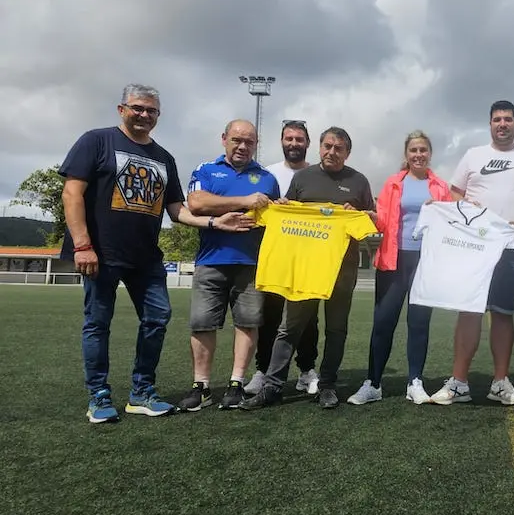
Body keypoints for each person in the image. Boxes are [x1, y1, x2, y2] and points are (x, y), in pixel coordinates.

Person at [61, 83, 254, 423]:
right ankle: (99, 396)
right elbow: (72, 194)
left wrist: (215, 223)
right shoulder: (96, 141)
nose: (144, 115)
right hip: (101, 253)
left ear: (158, 116)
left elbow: (177, 211)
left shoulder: (164, 158)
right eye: (137, 108)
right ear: (122, 110)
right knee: (97, 324)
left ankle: (142, 392)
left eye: (151, 111)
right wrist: (82, 245)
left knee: (157, 318)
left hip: (147, 257)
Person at [239, 126, 376, 410]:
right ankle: (273, 386)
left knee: (337, 329)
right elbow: (287, 210)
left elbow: (372, 220)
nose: (332, 152)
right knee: (289, 327)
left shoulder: (359, 181)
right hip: (305, 269)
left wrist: (362, 214)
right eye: (328, 146)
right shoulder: (303, 177)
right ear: (320, 148)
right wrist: (284, 205)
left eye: (339, 148)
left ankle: (327, 385)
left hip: (343, 268)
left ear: (347, 152)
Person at [429, 100, 514, 406]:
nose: (502, 124)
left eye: (508, 119)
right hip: (475, 250)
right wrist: (466, 210)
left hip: (511, 249)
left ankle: (500, 383)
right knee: (469, 312)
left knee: (504, 315)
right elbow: (456, 194)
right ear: (490, 124)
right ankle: (459, 384)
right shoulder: (473, 155)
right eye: (497, 119)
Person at [177, 119, 281, 412]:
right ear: (224, 139)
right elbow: (196, 203)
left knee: (247, 324)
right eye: (237, 140)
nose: (243, 146)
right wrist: (245, 200)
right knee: (202, 324)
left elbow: (275, 217)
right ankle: (202, 386)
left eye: (249, 141)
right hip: (211, 261)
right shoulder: (206, 170)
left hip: (251, 264)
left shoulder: (266, 178)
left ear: (256, 144)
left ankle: (236, 384)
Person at [347, 130, 452, 405]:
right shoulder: (394, 183)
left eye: (423, 150)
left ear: (430, 154)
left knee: (419, 323)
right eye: (413, 150)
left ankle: (415, 382)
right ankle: (373, 382)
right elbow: (382, 220)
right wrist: (367, 216)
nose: (418, 154)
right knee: (383, 322)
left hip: (426, 263)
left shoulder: (440, 187)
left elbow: (451, 221)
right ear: (406, 155)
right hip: (393, 260)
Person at [247, 119, 320, 396]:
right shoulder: (268, 174)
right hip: (277, 257)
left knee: (309, 320)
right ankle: (263, 370)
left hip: (308, 260)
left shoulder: (317, 174)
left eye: (299, 139)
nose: (293, 144)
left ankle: (306, 369)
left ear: (307, 144)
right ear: (281, 142)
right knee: (271, 315)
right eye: (289, 139)